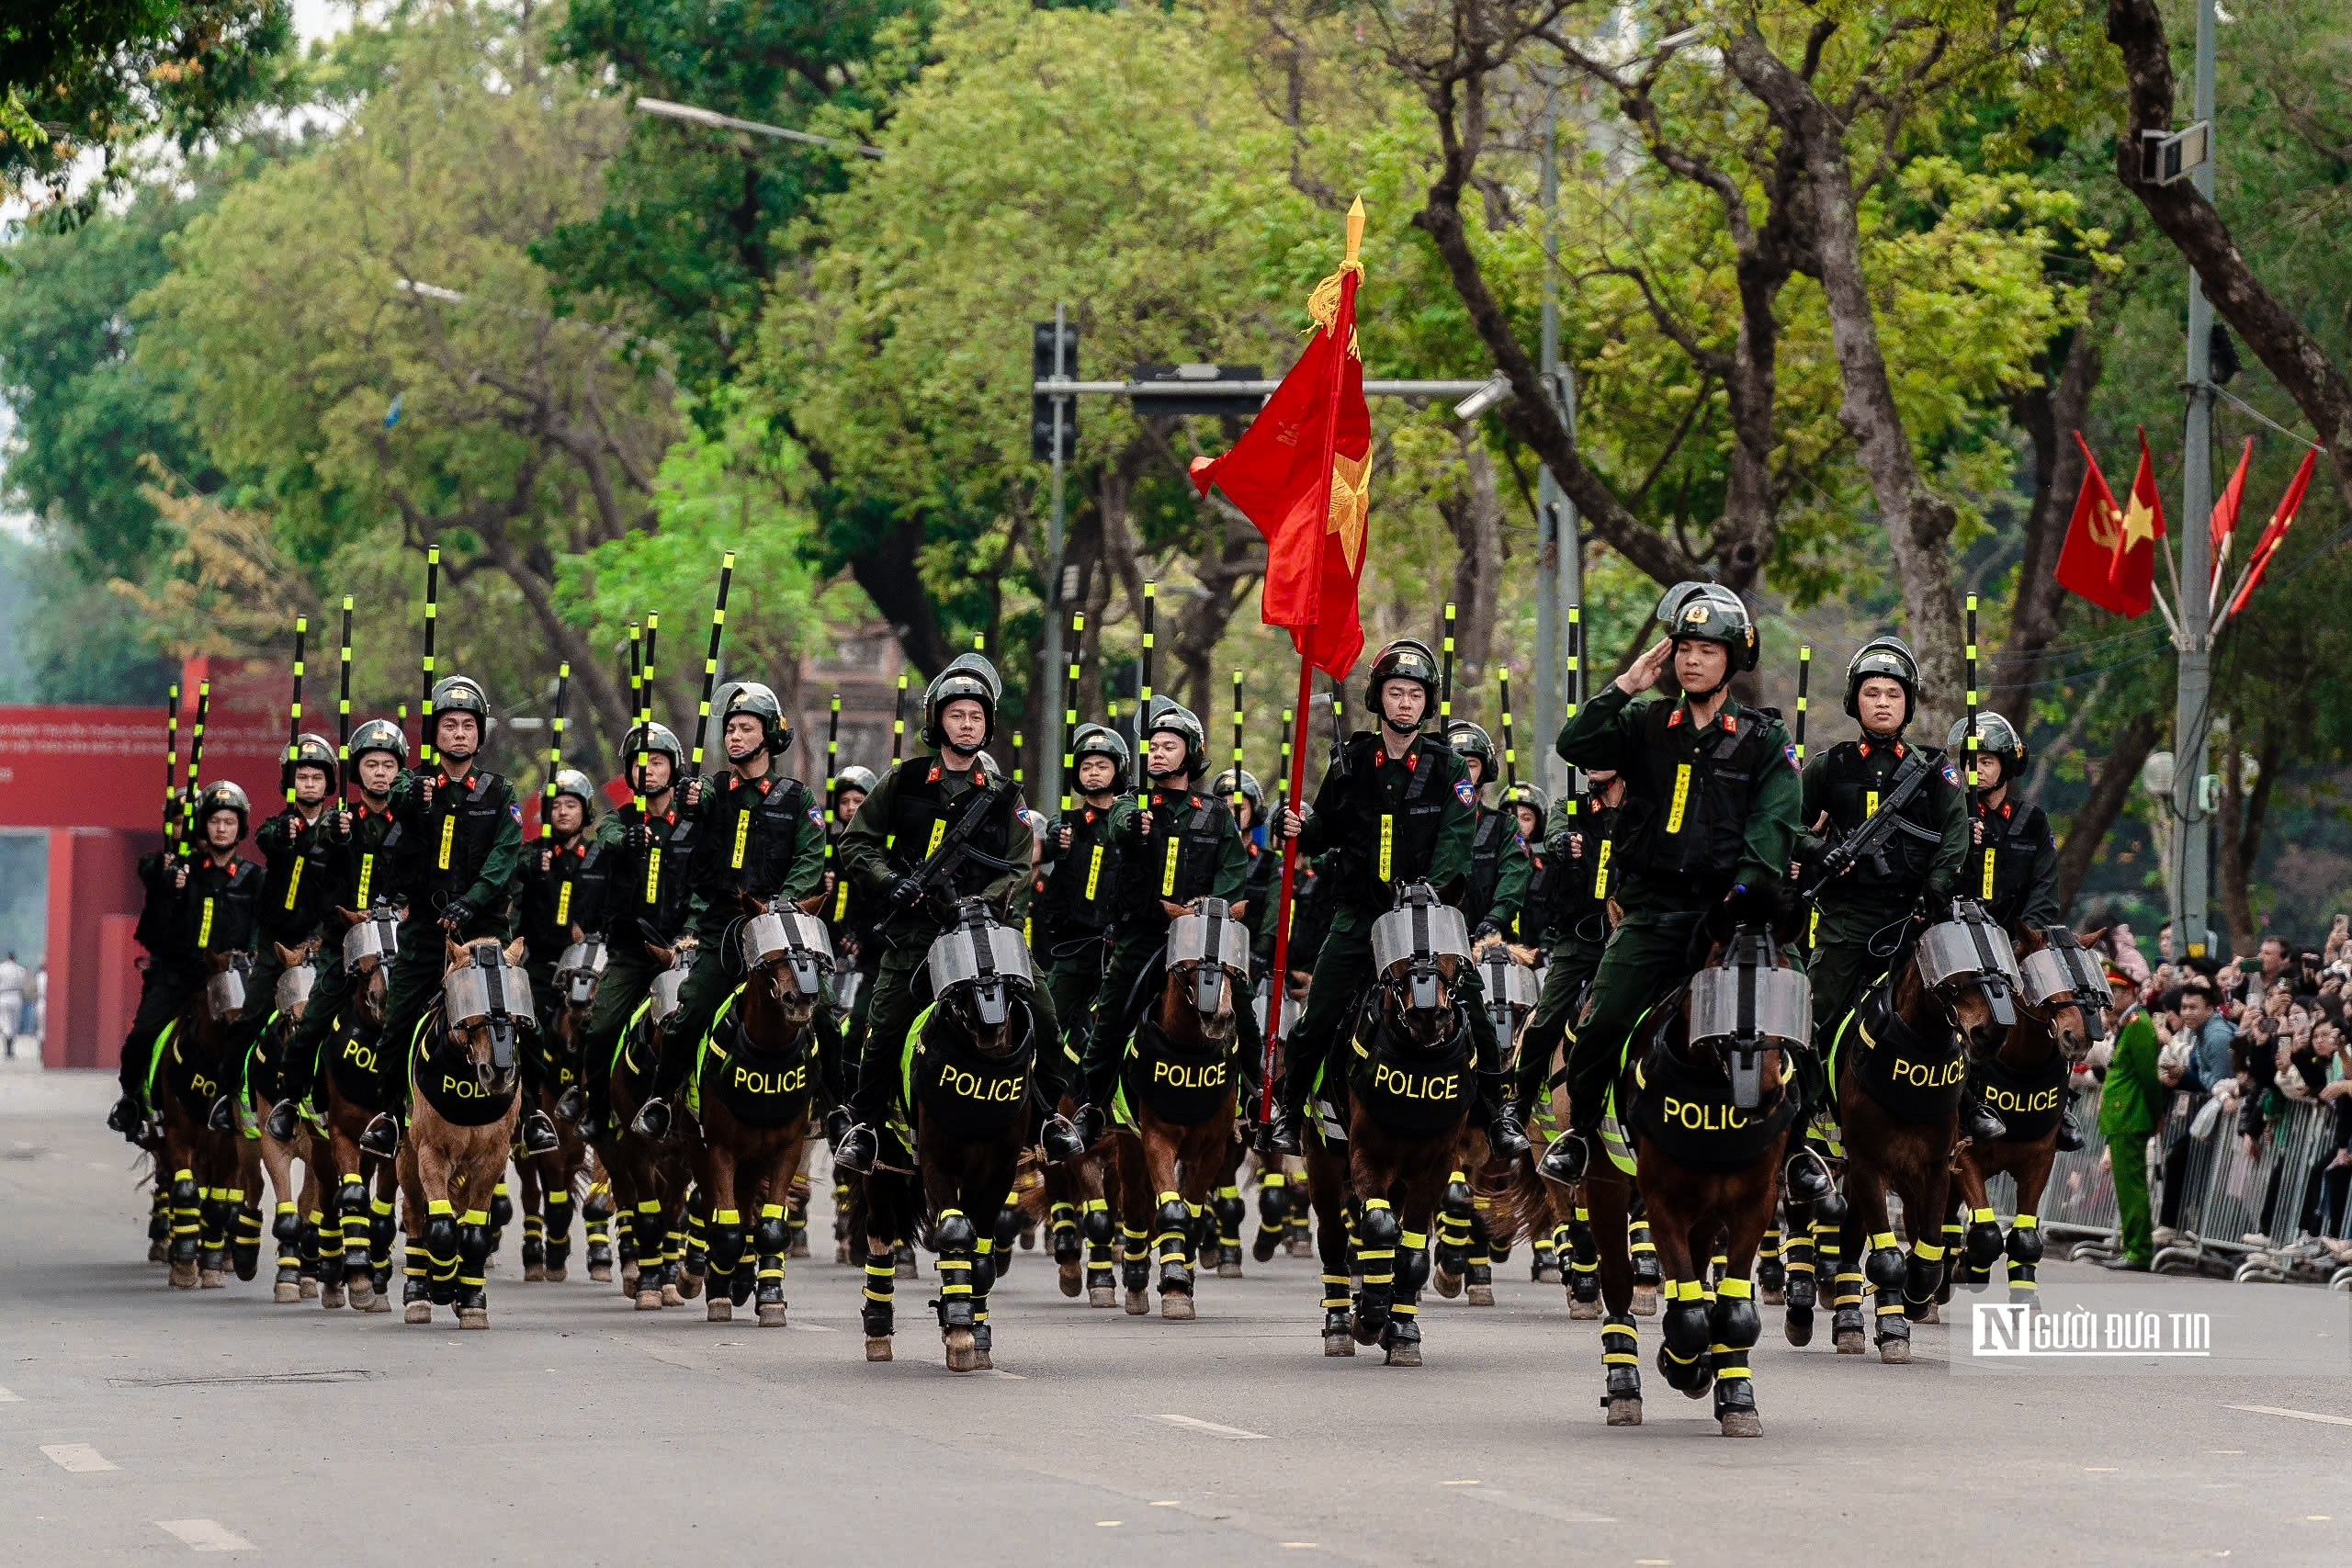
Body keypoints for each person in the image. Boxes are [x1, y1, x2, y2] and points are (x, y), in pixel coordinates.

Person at [1537, 583, 1802, 1186]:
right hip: (1652, 912)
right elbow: (1575, 744)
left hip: (1731, 918)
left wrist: (1738, 903)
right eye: (1683, 647)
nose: (1691, 660)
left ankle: (1800, 1146)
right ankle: (1579, 1134)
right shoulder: (1643, 720)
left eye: (1707, 650)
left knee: (1795, 1008)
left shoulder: (1765, 739)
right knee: (1599, 1023)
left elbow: (1772, 830)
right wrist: (1626, 682)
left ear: (1731, 660)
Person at [1260, 638, 1531, 1161]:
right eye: (1395, 692)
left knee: (1475, 1006)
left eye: (1414, 695)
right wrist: (1294, 823)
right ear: (1378, 699)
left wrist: (1427, 891)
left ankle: (1498, 1114)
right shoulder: (1349, 762)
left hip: (1430, 917)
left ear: (1426, 705)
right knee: (1316, 1017)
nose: (1404, 703)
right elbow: (1321, 831)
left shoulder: (1449, 767)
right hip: (1360, 916)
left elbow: (1456, 841)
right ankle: (1289, 1112)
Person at [831, 654, 1083, 1172]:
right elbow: (857, 845)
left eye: (976, 717)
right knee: (881, 1029)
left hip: (988, 934)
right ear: (937, 722)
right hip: (918, 933)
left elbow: (1018, 865)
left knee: (1047, 1014)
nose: (967, 725)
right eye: (956, 715)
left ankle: (1047, 1122)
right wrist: (893, 883)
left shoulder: (1003, 796)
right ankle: (866, 1126)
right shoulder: (902, 782)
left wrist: (980, 903)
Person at [628, 682, 830, 1140]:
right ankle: (661, 1099)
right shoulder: (712, 791)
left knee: (827, 1014)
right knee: (688, 1011)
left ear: (769, 736)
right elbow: (685, 806)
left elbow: (810, 858)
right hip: (723, 927)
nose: (735, 737)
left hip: (782, 928)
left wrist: (788, 902)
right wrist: (689, 799)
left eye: (746, 728)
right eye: (731, 729)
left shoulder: (797, 798)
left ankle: (836, 1110)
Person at [1799, 637, 1973, 1146]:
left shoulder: (1936, 769)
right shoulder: (1829, 766)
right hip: (1846, 918)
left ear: (1908, 705)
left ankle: (1973, 1104)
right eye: (1871, 692)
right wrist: (1817, 853)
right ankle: (1804, 1117)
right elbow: (1787, 826)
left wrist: (1937, 888)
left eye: (1893, 695)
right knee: (1817, 1014)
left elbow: (1956, 833)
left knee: (1965, 1004)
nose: (1882, 703)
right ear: (1855, 702)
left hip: (1916, 920)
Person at [358, 677, 527, 1159]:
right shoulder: (414, 785)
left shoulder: (500, 791)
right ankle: (389, 1116)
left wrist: (472, 900)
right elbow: (390, 812)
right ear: (435, 734)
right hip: (427, 933)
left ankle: (528, 1113)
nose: (458, 733)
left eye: (467, 725)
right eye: (449, 725)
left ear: (480, 735)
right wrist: (415, 797)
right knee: (396, 1023)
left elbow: (505, 853)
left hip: (485, 930)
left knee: (516, 1016)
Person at [1072, 702, 1256, 1145]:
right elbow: (1117, 826)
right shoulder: (1130, 803)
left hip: (1201, 934)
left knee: (1245, 1007)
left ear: (1190, 753)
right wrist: (1134, 824)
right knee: (1113, 1016)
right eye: (1152, 747)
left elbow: (1233, 870)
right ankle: (1088, 1107)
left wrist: (1211, 904)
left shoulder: (1215, 812)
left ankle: (1258, 1099)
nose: (1157, 754)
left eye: (1169, 747)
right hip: (1143, 934)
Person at [266, 717, 407, 1141]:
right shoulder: (333, 824)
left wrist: (405, 911)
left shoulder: (415, 822)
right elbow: (315, 887)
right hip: (346, 944)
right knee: (310, 1023)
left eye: (388, 765)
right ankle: (291, 1100)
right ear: (355, 772)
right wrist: (336, 842)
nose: (380, 772)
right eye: (370, 765)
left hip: (402, 945)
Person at [560, 721, 696, 1138]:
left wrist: (690, 933)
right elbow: (608, 833)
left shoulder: (696, 823)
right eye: (640, 764)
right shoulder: (618, 823)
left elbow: (708, 887)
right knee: (599, 1027)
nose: (649, 770)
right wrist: (628, 841)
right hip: (632, 953)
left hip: (686, 953)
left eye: (658, 762)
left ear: (674, 769)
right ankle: (596, 1104)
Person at [107, 784, 265, 1134]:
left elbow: (261, 927)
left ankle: (257, 1104)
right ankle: (131, 1099)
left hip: (232, 980)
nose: (222, 829)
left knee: (263, 1037)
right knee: (143, 1034)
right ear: (203, 827)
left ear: (241, 828)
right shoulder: (181, 869)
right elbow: (148, 877)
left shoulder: (255, 877)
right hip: (179, 977)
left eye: (229, 821)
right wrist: (169, 885)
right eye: (214, 822)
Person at [225, 733, 341, 1129]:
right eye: (301, 778)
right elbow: (265, 839)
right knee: (250, 1016)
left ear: (329, 784)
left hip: (320, 945)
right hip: (276, 946)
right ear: (289, 785)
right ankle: (232, 1096)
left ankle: (316, 1094)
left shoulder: (339, 831)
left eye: (316, 777)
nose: (309, 784)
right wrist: (285, 834)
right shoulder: (277, 827)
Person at [1509, 770, 1622, 1119]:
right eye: (1587, 760)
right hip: (1580, 942)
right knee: (1544, 1021)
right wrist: (1562, 843)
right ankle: (1520, 1101)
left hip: (1633, 938)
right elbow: (1556, 831)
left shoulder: (1646, 806)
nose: (1592, 766)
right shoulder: (1569, 806)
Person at [1034, 727, 1128, 1095]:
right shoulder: (1067, 826)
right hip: (1075, 949)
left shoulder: (1131, 823)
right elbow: (1055, 839)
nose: (1092, 772)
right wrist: (1059, 842)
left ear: (1118, 770)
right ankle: (1042, 1108)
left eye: (1102, 765)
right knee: (1046, 1023)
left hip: (1119, 951)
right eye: (1086, 765)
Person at [513, 769, 612, 1111]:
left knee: (598, 1022)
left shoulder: (601, 857)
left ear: (585, 812)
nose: (563, 812)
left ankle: (593, 1096)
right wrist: (532, 866)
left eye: (571, 805)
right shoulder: (533, 853)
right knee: (527, 1023)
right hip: (541, 964)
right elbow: (514, 875)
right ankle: (528, 1102)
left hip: (589, 963)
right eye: (556, 806)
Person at [2098, 967, 2163, 1269]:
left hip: (2132, 1116)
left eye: (2115, 992)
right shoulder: (2127, 1024)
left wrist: (2154, 1114)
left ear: (2130, 993)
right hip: (2122, 1118)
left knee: (2133, 1187)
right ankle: (2131, 1245)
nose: (2109, 998)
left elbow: (2149, 1078)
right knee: (2126, 1187)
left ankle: (2138, 1250)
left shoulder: (2138, 1024)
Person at [1443, 720, 1530, 941]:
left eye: (1471, 765)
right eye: (1456, 763)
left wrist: (1496, 919)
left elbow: (1514, 874)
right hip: (1437, 935)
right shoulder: (1427, 822)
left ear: (1485, 770)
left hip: (1488, 940)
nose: (1462, 771)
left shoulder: (1503, 825)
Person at [0, 950, 25, 1059]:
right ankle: (11, 1049)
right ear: (14, 958)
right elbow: (23, 985)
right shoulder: (20, 969)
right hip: (16, 996)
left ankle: (7, 1049)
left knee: (6, 1023)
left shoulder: (1, 968)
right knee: (14, 1024)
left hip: (4, 995)